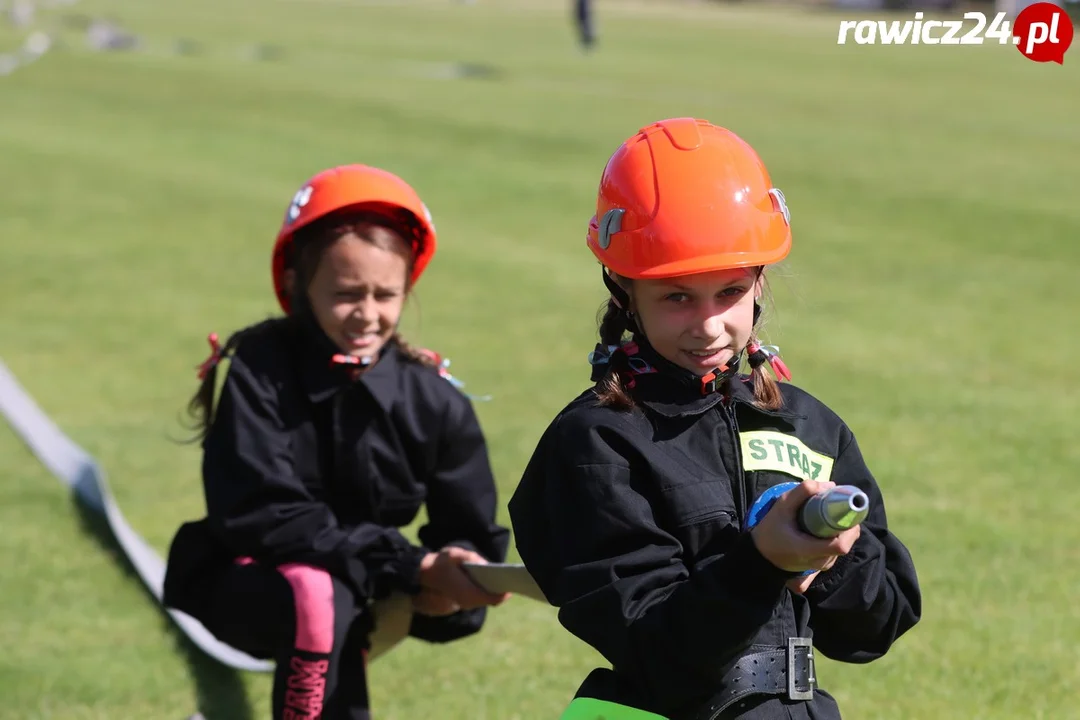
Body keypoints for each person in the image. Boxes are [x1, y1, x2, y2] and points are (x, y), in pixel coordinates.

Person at [507, 118, 922, 720]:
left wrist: (837, 559)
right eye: (676, 297)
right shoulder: (598, 443)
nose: (707, 325)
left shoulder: (808, 425)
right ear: (624, 290)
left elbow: (875, 627)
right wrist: (763, 563)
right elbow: (658, 651)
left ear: (759, 282)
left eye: (729, 293)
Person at [162, 164, 511, 720]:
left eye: (386, 295)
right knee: (318, 591)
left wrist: (455, 585)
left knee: (333, 594)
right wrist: (411, 564)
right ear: (299, 283)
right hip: (252, 580)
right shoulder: (258, 368)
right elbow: (261, 511)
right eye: (346, 293)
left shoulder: (434, 399)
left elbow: (471, 533)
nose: (368, 315)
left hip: (376, 586)